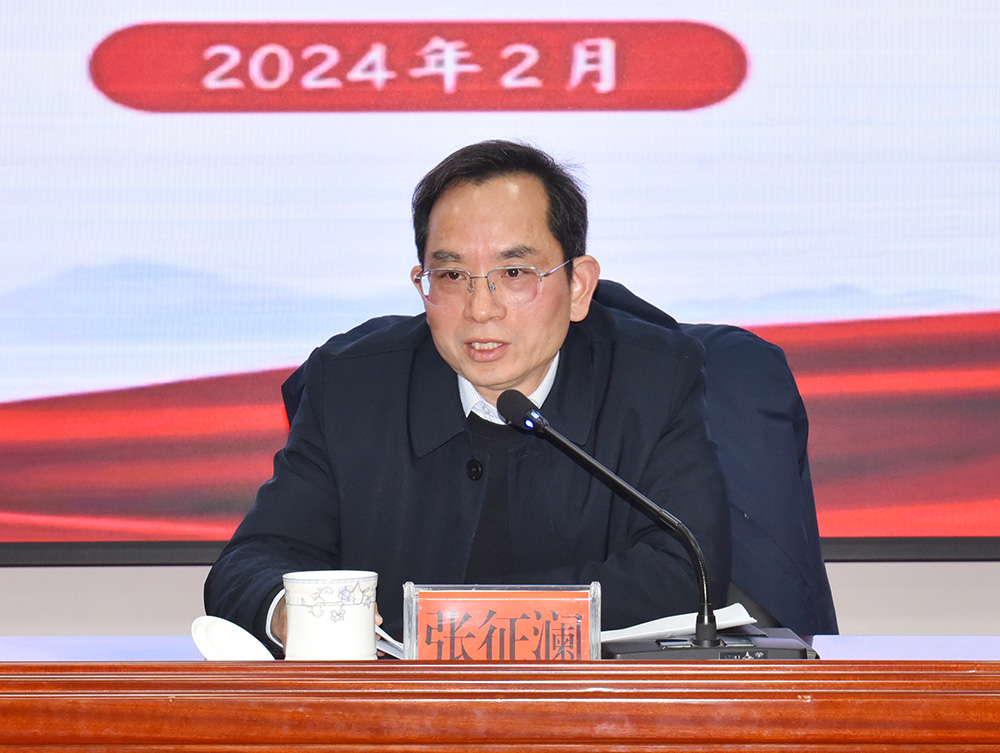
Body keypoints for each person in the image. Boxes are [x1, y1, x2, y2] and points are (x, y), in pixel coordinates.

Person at [204, 140, 732, 653]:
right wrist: (288, 611)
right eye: (453, 275)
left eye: (514, 273)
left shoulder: (653, 381)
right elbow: (252, 563)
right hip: (396, 707)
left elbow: (684, 570)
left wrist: (458, 621)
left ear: (578, 287)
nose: (481, 309)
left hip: (588, 703)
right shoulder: (351, 387)